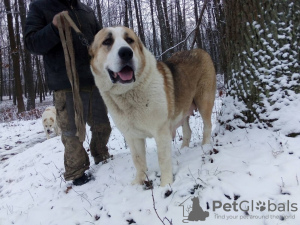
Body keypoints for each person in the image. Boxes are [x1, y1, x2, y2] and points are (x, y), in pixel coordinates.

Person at [25, 0, 111, 186]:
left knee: (102, 126)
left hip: (93, 79)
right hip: (64, 82)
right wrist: (54, 27)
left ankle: (101, 156)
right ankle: (77, 172)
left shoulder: (86, 9)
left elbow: (100, 40)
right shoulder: (40, 6)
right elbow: (31, 43)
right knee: (71, 132)